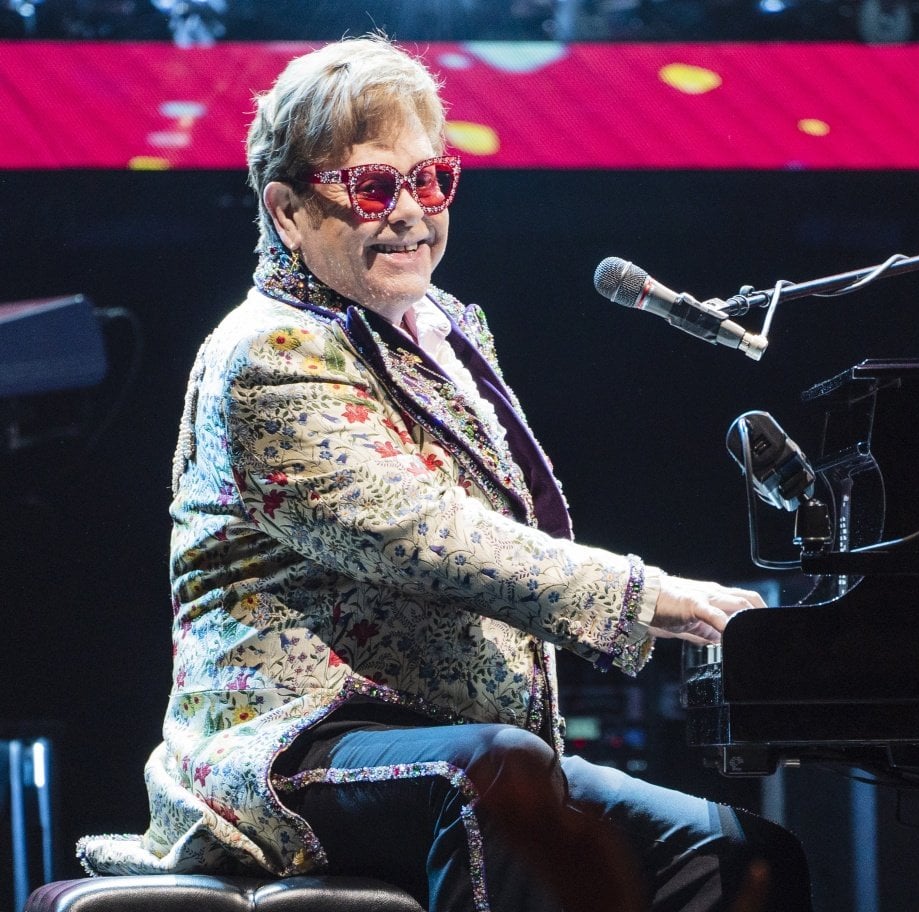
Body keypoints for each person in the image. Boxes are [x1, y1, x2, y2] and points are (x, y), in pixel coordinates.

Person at [76, 34, 811, 912]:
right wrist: (651, 596)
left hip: (449, 743)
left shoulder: (443, 329)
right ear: (286, 211)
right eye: (373, 187)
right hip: (290, 746)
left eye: (430, 181)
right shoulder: (267, 351)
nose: (411, 212)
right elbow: (423, 535)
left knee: (739, 854)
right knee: (491, 774)